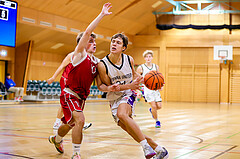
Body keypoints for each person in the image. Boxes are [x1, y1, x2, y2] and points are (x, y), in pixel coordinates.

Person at [48, 3, 113, 159]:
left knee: (70, 124)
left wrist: (111, 88)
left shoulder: (97, 62)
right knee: (81, 120)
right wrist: (102, 14)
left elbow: (101, 86)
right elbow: (88, 32)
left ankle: (56, 139)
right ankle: (76, 154)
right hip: (69, 94)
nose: (94, 43)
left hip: (81, 98)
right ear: (83, 43)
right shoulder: (78, 54)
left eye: (95, 42)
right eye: (90, 41)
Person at [98, 33, 169, 159]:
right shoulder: (102, 64)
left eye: (118, 42)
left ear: (124, 47)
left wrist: (143, 79)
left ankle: (146, 148)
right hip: (114, 97)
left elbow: (133, 74)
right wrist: (109, 88)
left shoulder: (128, 59)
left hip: (129, 93)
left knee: (122, 114)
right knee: (131, 130)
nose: (114, 44)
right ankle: (159, 149)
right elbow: (101, 86)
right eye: (113, 41)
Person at [47, 51, 92, 131]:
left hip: (75, 82)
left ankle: (77, 121)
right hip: (66, 80)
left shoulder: (86, 57)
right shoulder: (71, 55)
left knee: (77, 102)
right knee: (66, 101)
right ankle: (58, 122)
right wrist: (53, 78)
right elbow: (61, 66)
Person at [136, 50, 163, 128]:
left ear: (152, 58)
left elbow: (158, 77)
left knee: (159, 106)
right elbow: (137, 80)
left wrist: (160, 85)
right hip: (147, 89)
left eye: (149, 56)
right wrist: (138, 90)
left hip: (155, 89)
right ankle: (157, 121)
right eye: (146, 57)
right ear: (144, 58)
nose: (148, 58)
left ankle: (152, 111)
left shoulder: (156, 66)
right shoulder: (141, 68)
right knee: (154, 106)